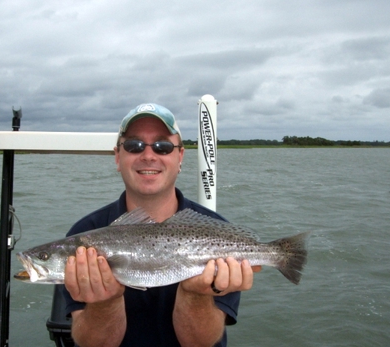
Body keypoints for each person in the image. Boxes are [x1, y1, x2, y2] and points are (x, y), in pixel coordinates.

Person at [62, 103, 261, 347]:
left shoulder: (217, 232)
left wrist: (195, 294)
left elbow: (200, 344)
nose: (148, 155)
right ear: (117, 157)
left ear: (180, 157)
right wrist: (105, 302)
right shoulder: (82, 235)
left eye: (162, 146)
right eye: (134, 145)